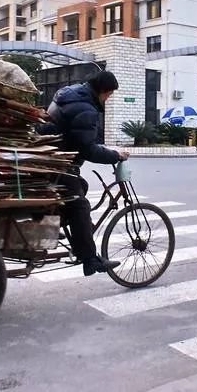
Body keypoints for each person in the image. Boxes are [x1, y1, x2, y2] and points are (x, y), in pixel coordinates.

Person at [40, 70, 129, 276]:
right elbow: (88, 149)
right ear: (103, 91)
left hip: (49, 157)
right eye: (109, 95)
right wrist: (116, 155)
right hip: (58, 163)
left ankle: (56, 223)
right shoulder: (86, 108)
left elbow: (78, 135)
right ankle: (89, 259)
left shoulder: (70, 93)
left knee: (81, 187)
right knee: (80, 205)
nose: (108, 99)